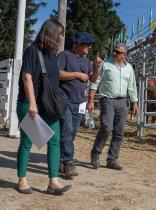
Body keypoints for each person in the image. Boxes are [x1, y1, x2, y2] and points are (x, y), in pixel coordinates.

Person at [16, 19, 71, 195]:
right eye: (60, 34)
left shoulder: (52, 55)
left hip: (49, 107)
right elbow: (27, 77)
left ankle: (53, 181)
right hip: (30, 104)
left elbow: (54, 76)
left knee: (54, 141)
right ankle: (22, 180)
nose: (62, 37)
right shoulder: (32, 51)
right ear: (52, 34)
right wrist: (32, 103)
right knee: (27, 142)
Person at [57, 32, 102, 178]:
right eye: (87, 44)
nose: (89, 47)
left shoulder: (86, 60)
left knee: (73, 132)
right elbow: (57, 73)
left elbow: (93, 79)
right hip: (64, 99)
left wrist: (96, 67)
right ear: (78, 44)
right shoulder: (64, 55)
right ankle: (68, 162)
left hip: (79, 102)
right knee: (67, 130)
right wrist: (76, 74)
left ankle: (59, 158)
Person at [88, 43, 138, 170]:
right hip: (108, 100)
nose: (114, 53)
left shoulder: (129, 68)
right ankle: (95, 153)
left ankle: (112, 160)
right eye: (114, 50)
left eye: (117, 51)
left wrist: (135, 102)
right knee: (106, 127)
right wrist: (91, 99)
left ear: (124, 55)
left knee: (119, 132)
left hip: (123, 102)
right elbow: (95, 82)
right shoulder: (105, 64)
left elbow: (132, 86)